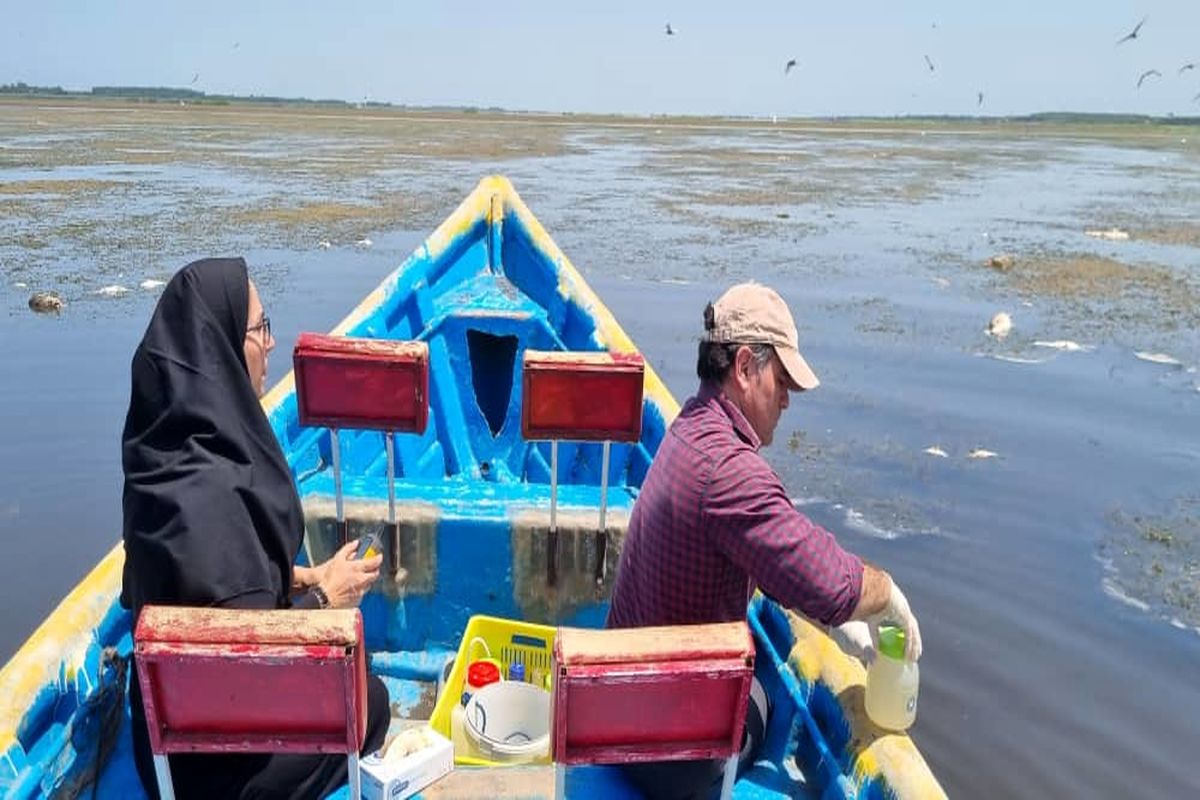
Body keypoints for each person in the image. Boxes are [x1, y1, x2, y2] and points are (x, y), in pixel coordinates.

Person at [606, 282, 922, 800]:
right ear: (746, 366)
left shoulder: (689, 428)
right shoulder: (731, 471)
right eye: (783, 381)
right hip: (671, 757)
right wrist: (885, 596)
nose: (786, 401)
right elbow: (830, 586)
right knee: (773, 695)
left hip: (623, 710)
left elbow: (768, 550)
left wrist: (835, 609)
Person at [120, 257, 388, 800]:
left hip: (164, 760)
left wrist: (307, 577)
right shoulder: (219, 494)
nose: (270, 344)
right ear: (218, 344)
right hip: (229, 775)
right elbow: (251, 663)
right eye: (260, 328)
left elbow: (204, 590)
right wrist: (327, 603)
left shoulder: (156, 458)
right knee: (373, 701)